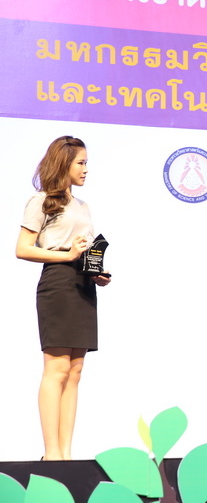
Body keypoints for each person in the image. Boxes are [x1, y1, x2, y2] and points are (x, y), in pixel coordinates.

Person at [16, 135, 111, 461]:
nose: (86, 169)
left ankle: (66, 455)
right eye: (81, 163)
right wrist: (67, 255)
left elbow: (83, 250)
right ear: (64, 163)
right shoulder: (42, 201)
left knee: (75, 371)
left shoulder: (83, 206)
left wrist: (96, 272)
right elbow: (22, 249)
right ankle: (52, 454)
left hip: (83, 285)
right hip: (57, 284)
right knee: (56, 368)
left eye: (86, 163)